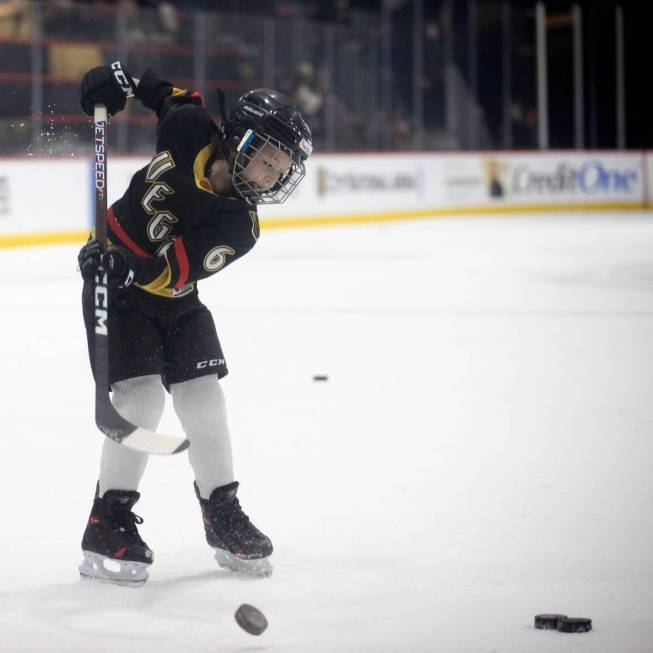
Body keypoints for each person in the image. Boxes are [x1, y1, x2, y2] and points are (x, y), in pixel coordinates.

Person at [76, 61, 312, 586]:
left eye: (281, 169)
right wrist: (114, 79)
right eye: (269, 160)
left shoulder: (239, 225)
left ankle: (221, 511)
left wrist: (124, 263)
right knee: (140, 401)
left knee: (204, 399)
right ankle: (107, 519)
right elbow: (163, 91)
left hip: (168, 292)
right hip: (116, 292)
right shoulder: (189, 128)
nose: (273, 176)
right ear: (242, 141)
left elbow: (169, 274)